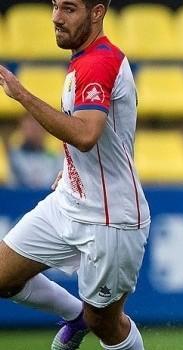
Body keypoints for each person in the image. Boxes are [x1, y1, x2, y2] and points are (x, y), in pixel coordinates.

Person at [0, 0, 150, 349]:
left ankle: (89, 319)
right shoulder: (84, 58)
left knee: (106, 324)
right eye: (54, 6)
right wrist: (71, 170)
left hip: (109, 218)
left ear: (96, 13)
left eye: (68, 9)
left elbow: (85, 134)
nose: (56, 17)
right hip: (70, 200)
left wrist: (22, 95)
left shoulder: (99, 62)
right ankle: (74, 314)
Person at [7, 113, 64, 189]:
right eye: (30, 126)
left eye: (37, 125)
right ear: (22, 128)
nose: (34, 130)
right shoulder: (14, 156)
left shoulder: (54, 158)